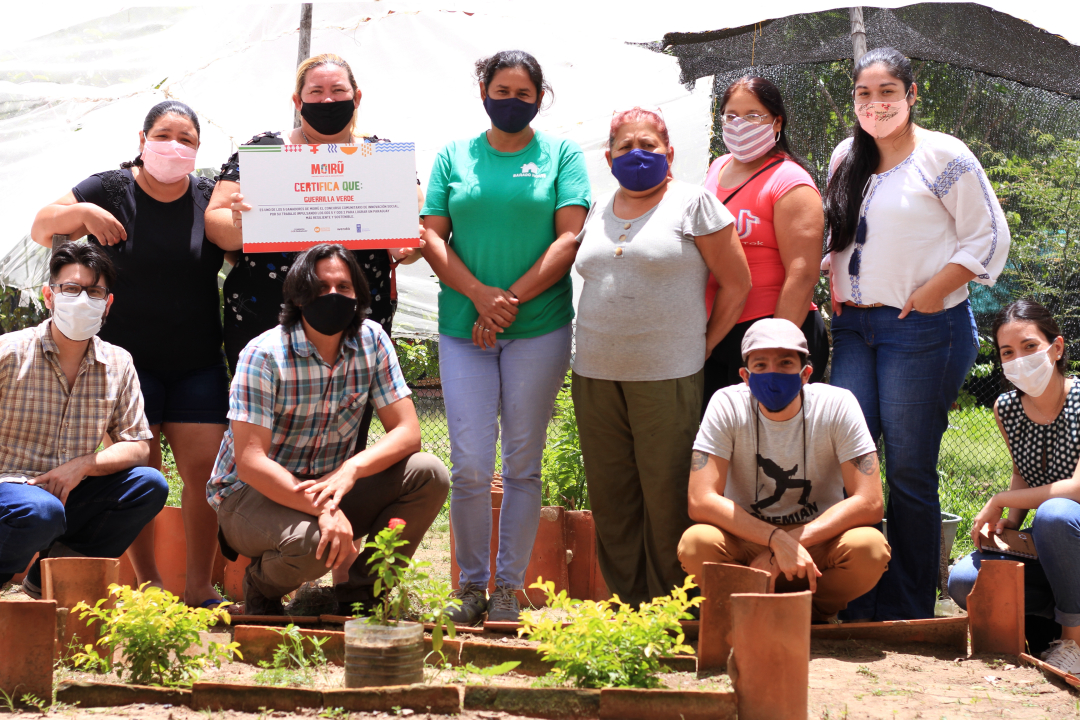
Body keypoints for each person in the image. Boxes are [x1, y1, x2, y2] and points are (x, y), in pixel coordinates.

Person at [822, 47, 1010, 620]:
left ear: (911, 94)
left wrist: (932, 291)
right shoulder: (843, 156)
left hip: (923, 327)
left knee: (907, 467)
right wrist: (831, 278)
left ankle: (907, 609)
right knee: (851, 460)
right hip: (852, 328)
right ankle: (855, 599)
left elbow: (988, 235)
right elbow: (839, 233)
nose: (875, 104)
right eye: (864, 93)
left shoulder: (944, 154)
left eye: (887, 92)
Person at [30, 101, 231, 608]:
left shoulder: (209, 198)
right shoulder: (110, 189)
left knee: (205, 477)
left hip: (198, 362)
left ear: (198, 149)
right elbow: (42, 226)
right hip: (124, 368)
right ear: (142, 140)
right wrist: (82, 213)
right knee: (141, 475)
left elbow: (245, 245)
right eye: (163, 135)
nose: (174, 146)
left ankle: (200, 587)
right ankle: (149, 585)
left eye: (186, 139)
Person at [421, 50, 591, 623]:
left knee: (522, 464)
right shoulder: (454, 155)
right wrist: (478, 295)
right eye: (502, 91)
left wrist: (507, 301)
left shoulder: (562, 155)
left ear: (540, 98)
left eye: (523, 94)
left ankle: (507, 590)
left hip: (538, 328)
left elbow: (568, 240)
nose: (512, 101)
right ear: (483, 93)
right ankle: (471, 586)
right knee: (469, 466)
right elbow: (431, 236)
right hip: (463, 328)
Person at [207, 243, 450, 616]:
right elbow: (251, 461)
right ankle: (261, 587)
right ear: (298, 296)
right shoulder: (265, 354)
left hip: (328, 482)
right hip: (248, 494)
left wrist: (352, 469)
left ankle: (360, 595)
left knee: (428, 473)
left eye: (343, 287)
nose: (333, 295)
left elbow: (407, 432)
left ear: (359, 294)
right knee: (315, 545)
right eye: (320, 288)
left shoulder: (371, 341)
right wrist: (323, 510)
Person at [571, 107, 750, 606]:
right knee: (612, 497)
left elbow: (737, 284)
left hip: (668, 375)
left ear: (669, 153)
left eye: (648, 145)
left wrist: (704, 344)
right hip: (594, 375)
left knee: (667, 496)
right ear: (609, 158)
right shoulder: (598, 207)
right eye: (625, 147)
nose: (637, 154)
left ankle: (671, 610)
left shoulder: (694, 203)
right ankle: (627, 607)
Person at [204, 52, 424, 450]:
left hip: (353, 317)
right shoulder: (264, 151)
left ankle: (340, 488)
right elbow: (216, 225)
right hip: (264, 317)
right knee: (259, 434)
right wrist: (240, 222)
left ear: (357, 97)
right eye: (316, 91)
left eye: (338, 90)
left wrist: (407, 244)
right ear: (297, 100)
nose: (327, 100)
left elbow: (411, 226)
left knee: (348, 431)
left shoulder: (382, 157)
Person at [678, 318, 891, 622]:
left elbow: (870, 502)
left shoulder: (838, 404)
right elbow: (700, 500)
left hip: (817, 542)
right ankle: (746, 609)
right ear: (745, 376)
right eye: (760, 365)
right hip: (747, 541)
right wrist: (774, 539)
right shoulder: (726, 404)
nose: (773, 373)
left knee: (870, 548)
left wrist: (789, 544)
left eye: (786, 363)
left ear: (806, 373)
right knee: (696, 543)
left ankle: (814, 614)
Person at [0, 243, 168, 594]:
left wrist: (83, 465)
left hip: (68, 495)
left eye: (94, 292)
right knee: (42, 511)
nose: (82, 299)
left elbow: (137, 446)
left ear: (107, 303)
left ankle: (52, 577)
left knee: (149, 484)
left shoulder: (118, 363)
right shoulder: (10, 352)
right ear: (49, 295)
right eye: (71, 288)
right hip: (9, 492)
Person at [948, 299, 1080, 670]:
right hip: (1053, 548)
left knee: (1055, 514)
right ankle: (1059, 615)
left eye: (1029, 346)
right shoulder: (1007, 408)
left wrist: (1000, 499)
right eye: (1008, 352)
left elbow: (1076, 489)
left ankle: (1074, 643)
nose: (1018, 359)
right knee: (965, 580)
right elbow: (1022, 471)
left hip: (1069, 531)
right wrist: (1012, 523)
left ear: (1056, 348)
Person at [701, 77, 827, 406]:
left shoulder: (790, 181)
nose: (740, 124)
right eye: (731, 116)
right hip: (716, 330)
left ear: (777, 122)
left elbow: (803, 274)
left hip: (770, 331)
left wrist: (773, 348)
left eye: (753, 116)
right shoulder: (717, 167)